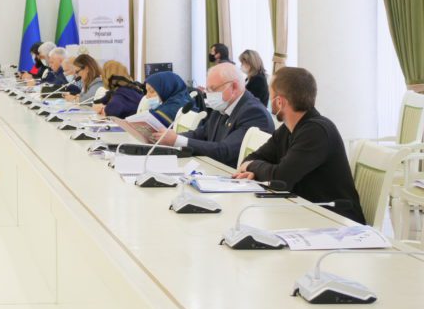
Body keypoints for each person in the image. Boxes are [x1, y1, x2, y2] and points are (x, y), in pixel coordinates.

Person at [234, 67, 365, 224]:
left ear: (280, 102)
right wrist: (253, 167)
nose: (268, 100)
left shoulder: (316, 131)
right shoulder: (287, 129)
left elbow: (280, 179)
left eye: (270, 95)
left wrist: (252, 166)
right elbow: (253, 158)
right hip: (306, 213)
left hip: (337, 222)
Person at [153, 63, 274, 166]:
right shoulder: (222, 106)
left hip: (234, 177)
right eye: (208, 90)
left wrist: (177, 140)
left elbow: (225, 151)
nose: (209, 95)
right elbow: (200, 134)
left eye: (213, 89)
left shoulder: (254, 113)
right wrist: (168, 137)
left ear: (234, 87)